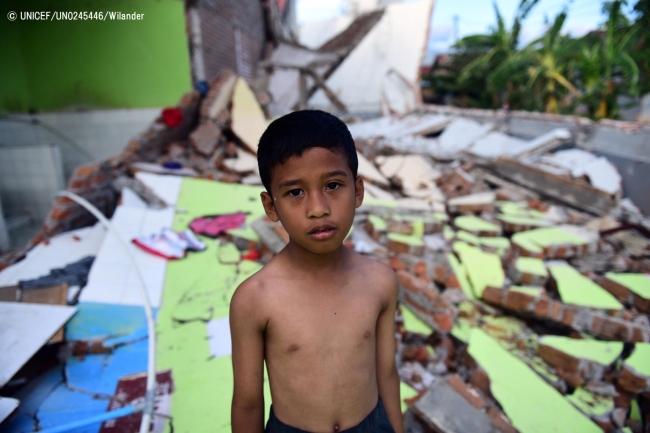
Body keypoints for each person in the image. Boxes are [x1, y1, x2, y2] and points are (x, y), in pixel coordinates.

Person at [230, 110, 403, 433]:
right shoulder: (255, 299)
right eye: (295, 192)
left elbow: (387, 373)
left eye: (333, 185)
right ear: (271, 207)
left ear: (359, 191)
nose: (318, 208)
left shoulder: (380, 283)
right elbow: (248, 403)